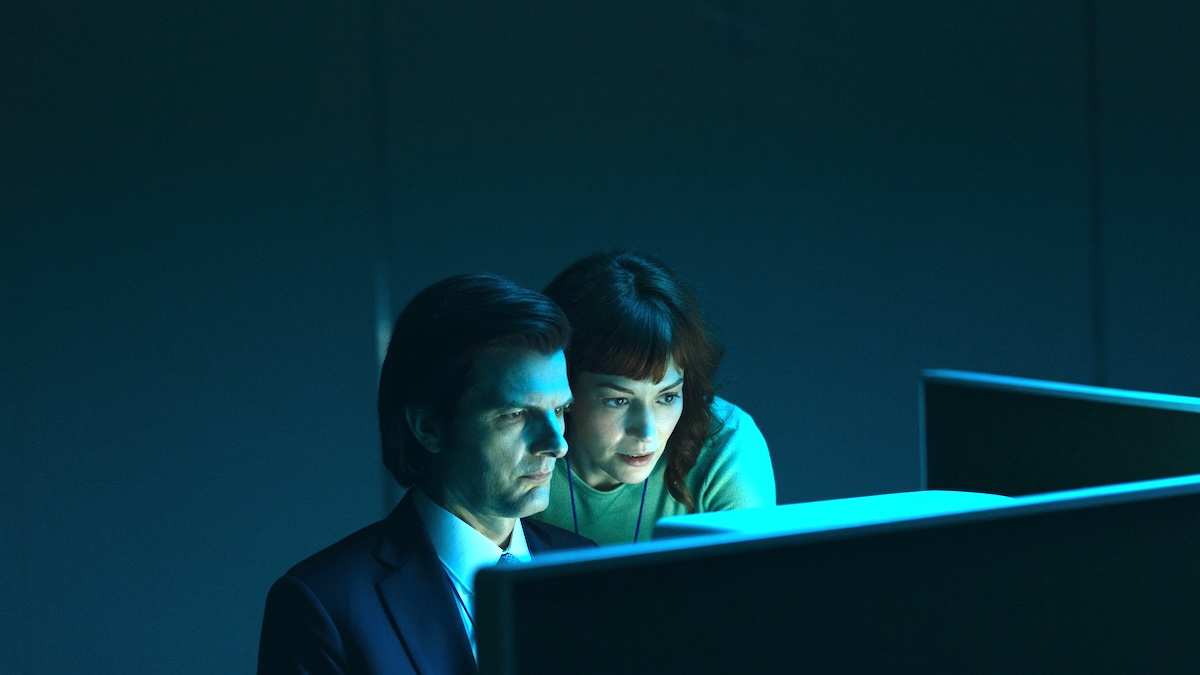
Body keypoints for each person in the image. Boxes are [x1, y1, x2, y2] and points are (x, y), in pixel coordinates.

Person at [257, 274, 595, 675]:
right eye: (517, 414)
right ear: (429, 427)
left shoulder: (588, 564)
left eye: (560, 410)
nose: (557, 444)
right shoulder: (324, 605)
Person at [532, 251, 776, 545]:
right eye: (618, 400)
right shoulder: (522, 449)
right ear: (566, 389)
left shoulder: (725, 446)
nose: (647, 432)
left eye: (668, 397)